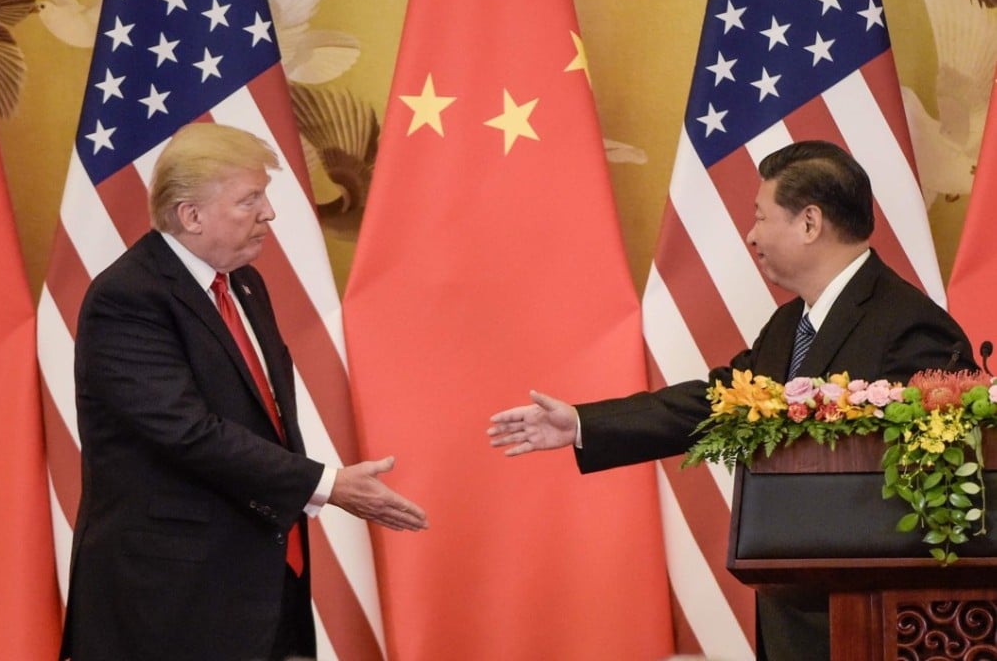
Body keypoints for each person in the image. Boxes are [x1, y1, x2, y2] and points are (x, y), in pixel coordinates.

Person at [488, 140, 976, 660]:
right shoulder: (791, 323)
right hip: (794, 607)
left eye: (761, 217)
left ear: (810, 224)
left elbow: (936, 487)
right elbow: (717, 401)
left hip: (875, 623)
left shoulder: (910, 325)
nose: (750, 234)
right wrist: (585, 424)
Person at [60, 123, 428, 661]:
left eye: (265, 196)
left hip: (257, 576)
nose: (270, 214)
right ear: (191, 215)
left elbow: (265, 421)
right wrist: (329, 484)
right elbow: (187, 433)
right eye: (250, 199)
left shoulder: (245, 284)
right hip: (169, 599)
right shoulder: (129, 297)